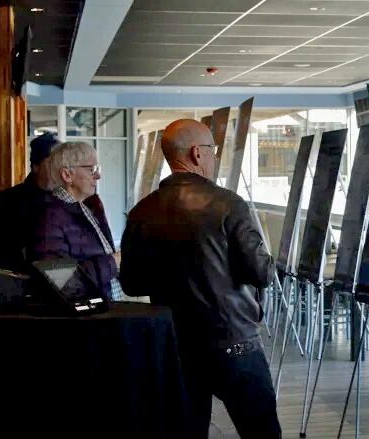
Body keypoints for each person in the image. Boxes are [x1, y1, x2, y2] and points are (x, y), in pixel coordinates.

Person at [119, 119, 279, 439]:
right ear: (196, 153)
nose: (213, 157)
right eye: (212, 150)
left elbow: (132, 284)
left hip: (177, 345)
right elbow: (261, 273)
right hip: (234, 341)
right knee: (261, 432)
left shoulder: (141, 212)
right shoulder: (228, 204)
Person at [29, 141, 123, 301]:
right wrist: (112, 262)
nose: (98, 176)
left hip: (100, 312)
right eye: (91, 169)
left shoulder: (87, 207)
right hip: (84, 320)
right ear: (67, 175)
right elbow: (62, 281)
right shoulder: (50, 218)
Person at [0, 133, 57, 273]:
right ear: (36, 166)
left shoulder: (71, 202)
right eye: (53, 162)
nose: (60, 168)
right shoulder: (6, 203)